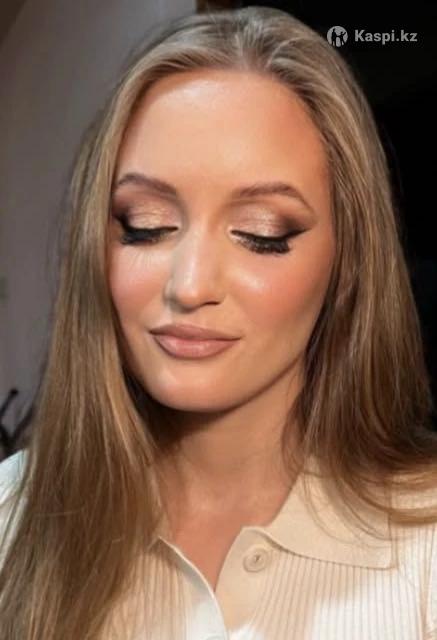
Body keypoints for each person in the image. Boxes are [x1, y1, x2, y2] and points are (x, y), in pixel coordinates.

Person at [1, 6, 437, 639]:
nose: (190, 285)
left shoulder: (424, 541)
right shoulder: (12, 517)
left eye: (261, 233)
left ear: (347, 260)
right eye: (146, 225)